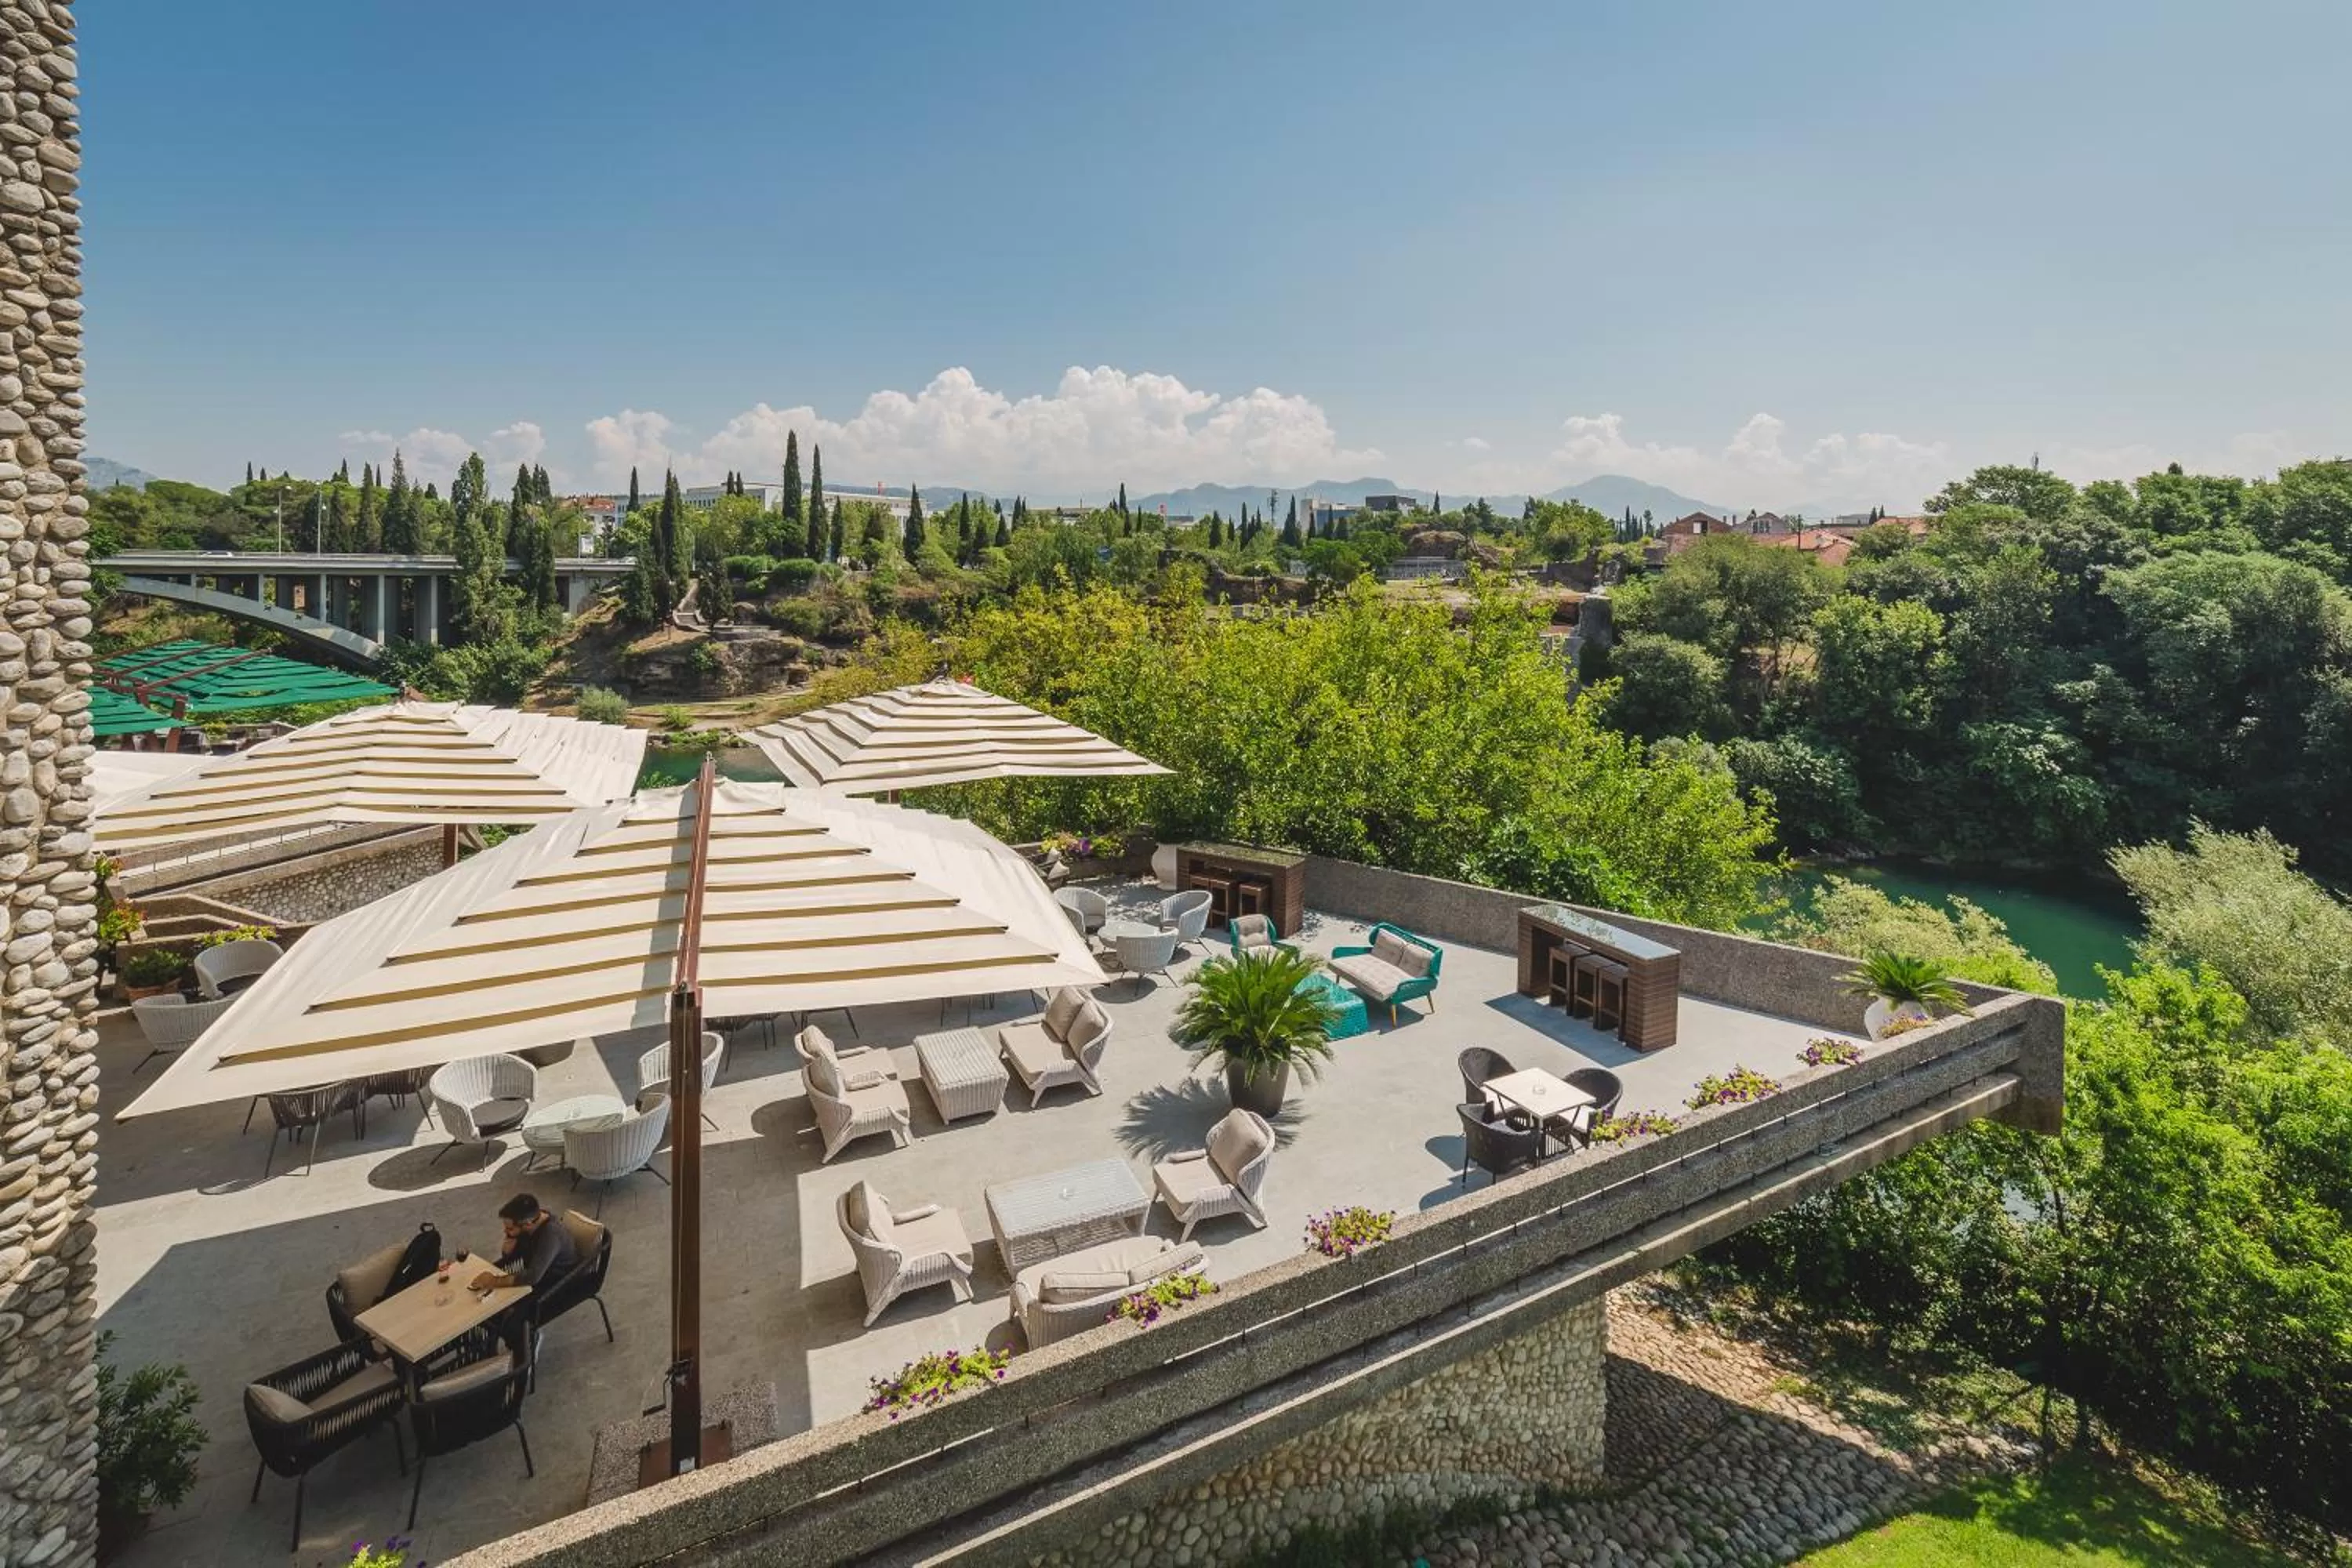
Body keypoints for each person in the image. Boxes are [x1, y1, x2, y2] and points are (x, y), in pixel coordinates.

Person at [474, 1192, 575, 1294]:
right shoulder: (531, 1219)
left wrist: (493, 1281)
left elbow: (533, 1276)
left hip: (554, 1281)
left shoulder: (551, 1234)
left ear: (528, 1224)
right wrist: (506, 1254)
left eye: (509, 1228)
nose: (505, 1231)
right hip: (535, 1269)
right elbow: (515, 1257)